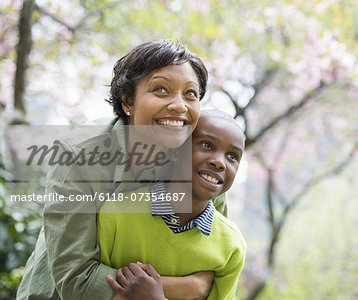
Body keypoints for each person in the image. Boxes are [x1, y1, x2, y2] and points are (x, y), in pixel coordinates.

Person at [17, 40, 227, 300]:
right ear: (128, 100)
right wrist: (189, 287)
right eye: (161, 90)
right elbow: (76, 278)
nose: (179, 105)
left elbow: (216, 262)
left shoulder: (202, 161)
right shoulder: (77, 155)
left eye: (190, 94)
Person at [97, 110, 246, 300]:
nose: (219, 162)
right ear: (175, 151)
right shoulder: (116, 213)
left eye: (232, 156)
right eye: (207, 145)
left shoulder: (231, 246)